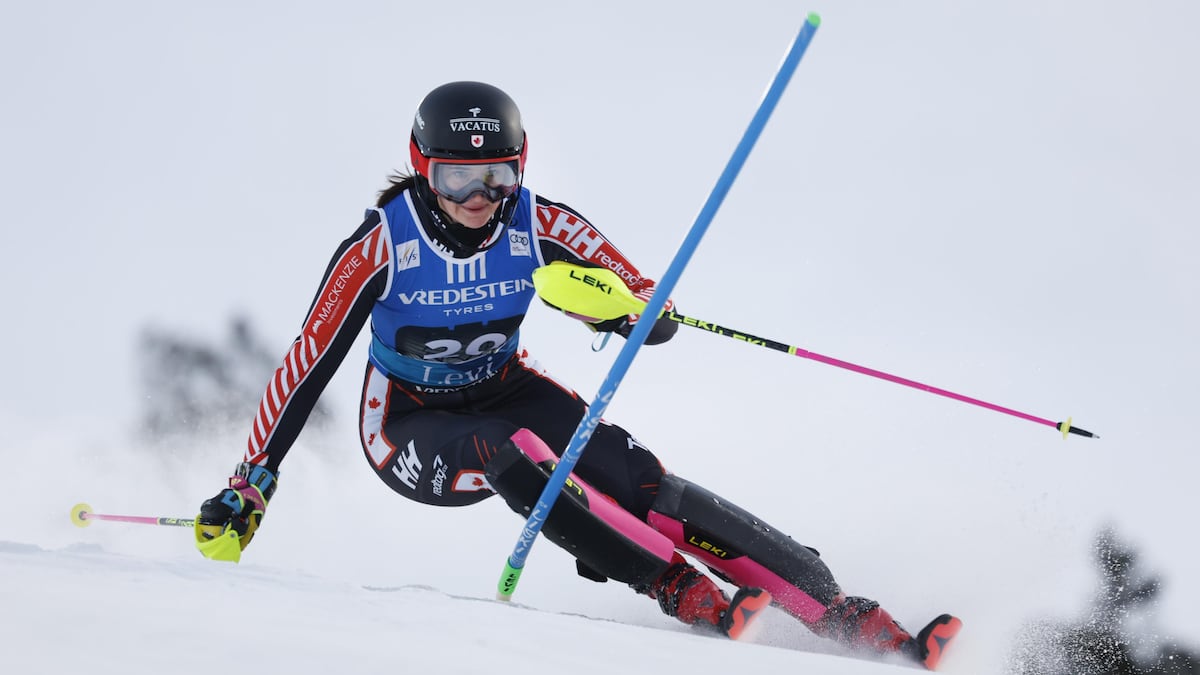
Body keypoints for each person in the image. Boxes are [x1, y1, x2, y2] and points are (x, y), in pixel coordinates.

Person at [194, 81, 960, 669]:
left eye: (498, 175)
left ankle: (847, 616)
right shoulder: (381, 246)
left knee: (642, 479)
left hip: (504, 385)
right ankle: (677, 588)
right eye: (458, 179)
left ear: (520, 166)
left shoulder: (539, 223)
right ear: (425, 170)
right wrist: (252, 479)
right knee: (514, 451)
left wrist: (636, 313)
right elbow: (308, 360)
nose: (479, 199)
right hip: (406, 423)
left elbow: (636, 293)